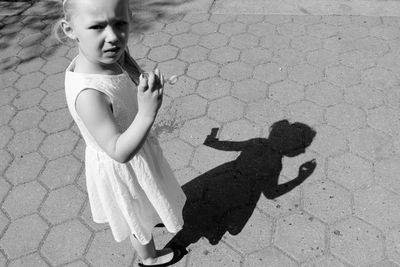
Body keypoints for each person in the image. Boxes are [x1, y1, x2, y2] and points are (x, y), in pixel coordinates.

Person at [54, 0, 187, 266]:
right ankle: (148, 258)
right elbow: (118, 151)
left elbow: (126, 63)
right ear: (70, 30)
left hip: (138, 151)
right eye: (97, 26)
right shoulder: (89, 94)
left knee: (148, 200)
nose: (114, 37)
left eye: (120, 24)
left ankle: (154, 213)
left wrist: (141, 80)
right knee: (138, 221)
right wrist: (147, 113)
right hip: (123, 168)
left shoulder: (106, 54)